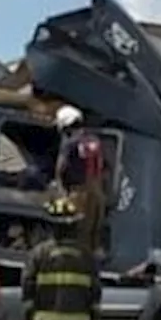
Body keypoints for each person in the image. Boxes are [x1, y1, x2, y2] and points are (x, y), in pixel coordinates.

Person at [53, 105, 106, 254]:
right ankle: (95, 252)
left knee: (78, 230)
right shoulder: (94, 140)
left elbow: (61, 168)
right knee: (94, 228)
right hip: (97, 191)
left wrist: (61, 191)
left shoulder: (69, 143)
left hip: (78, 192)